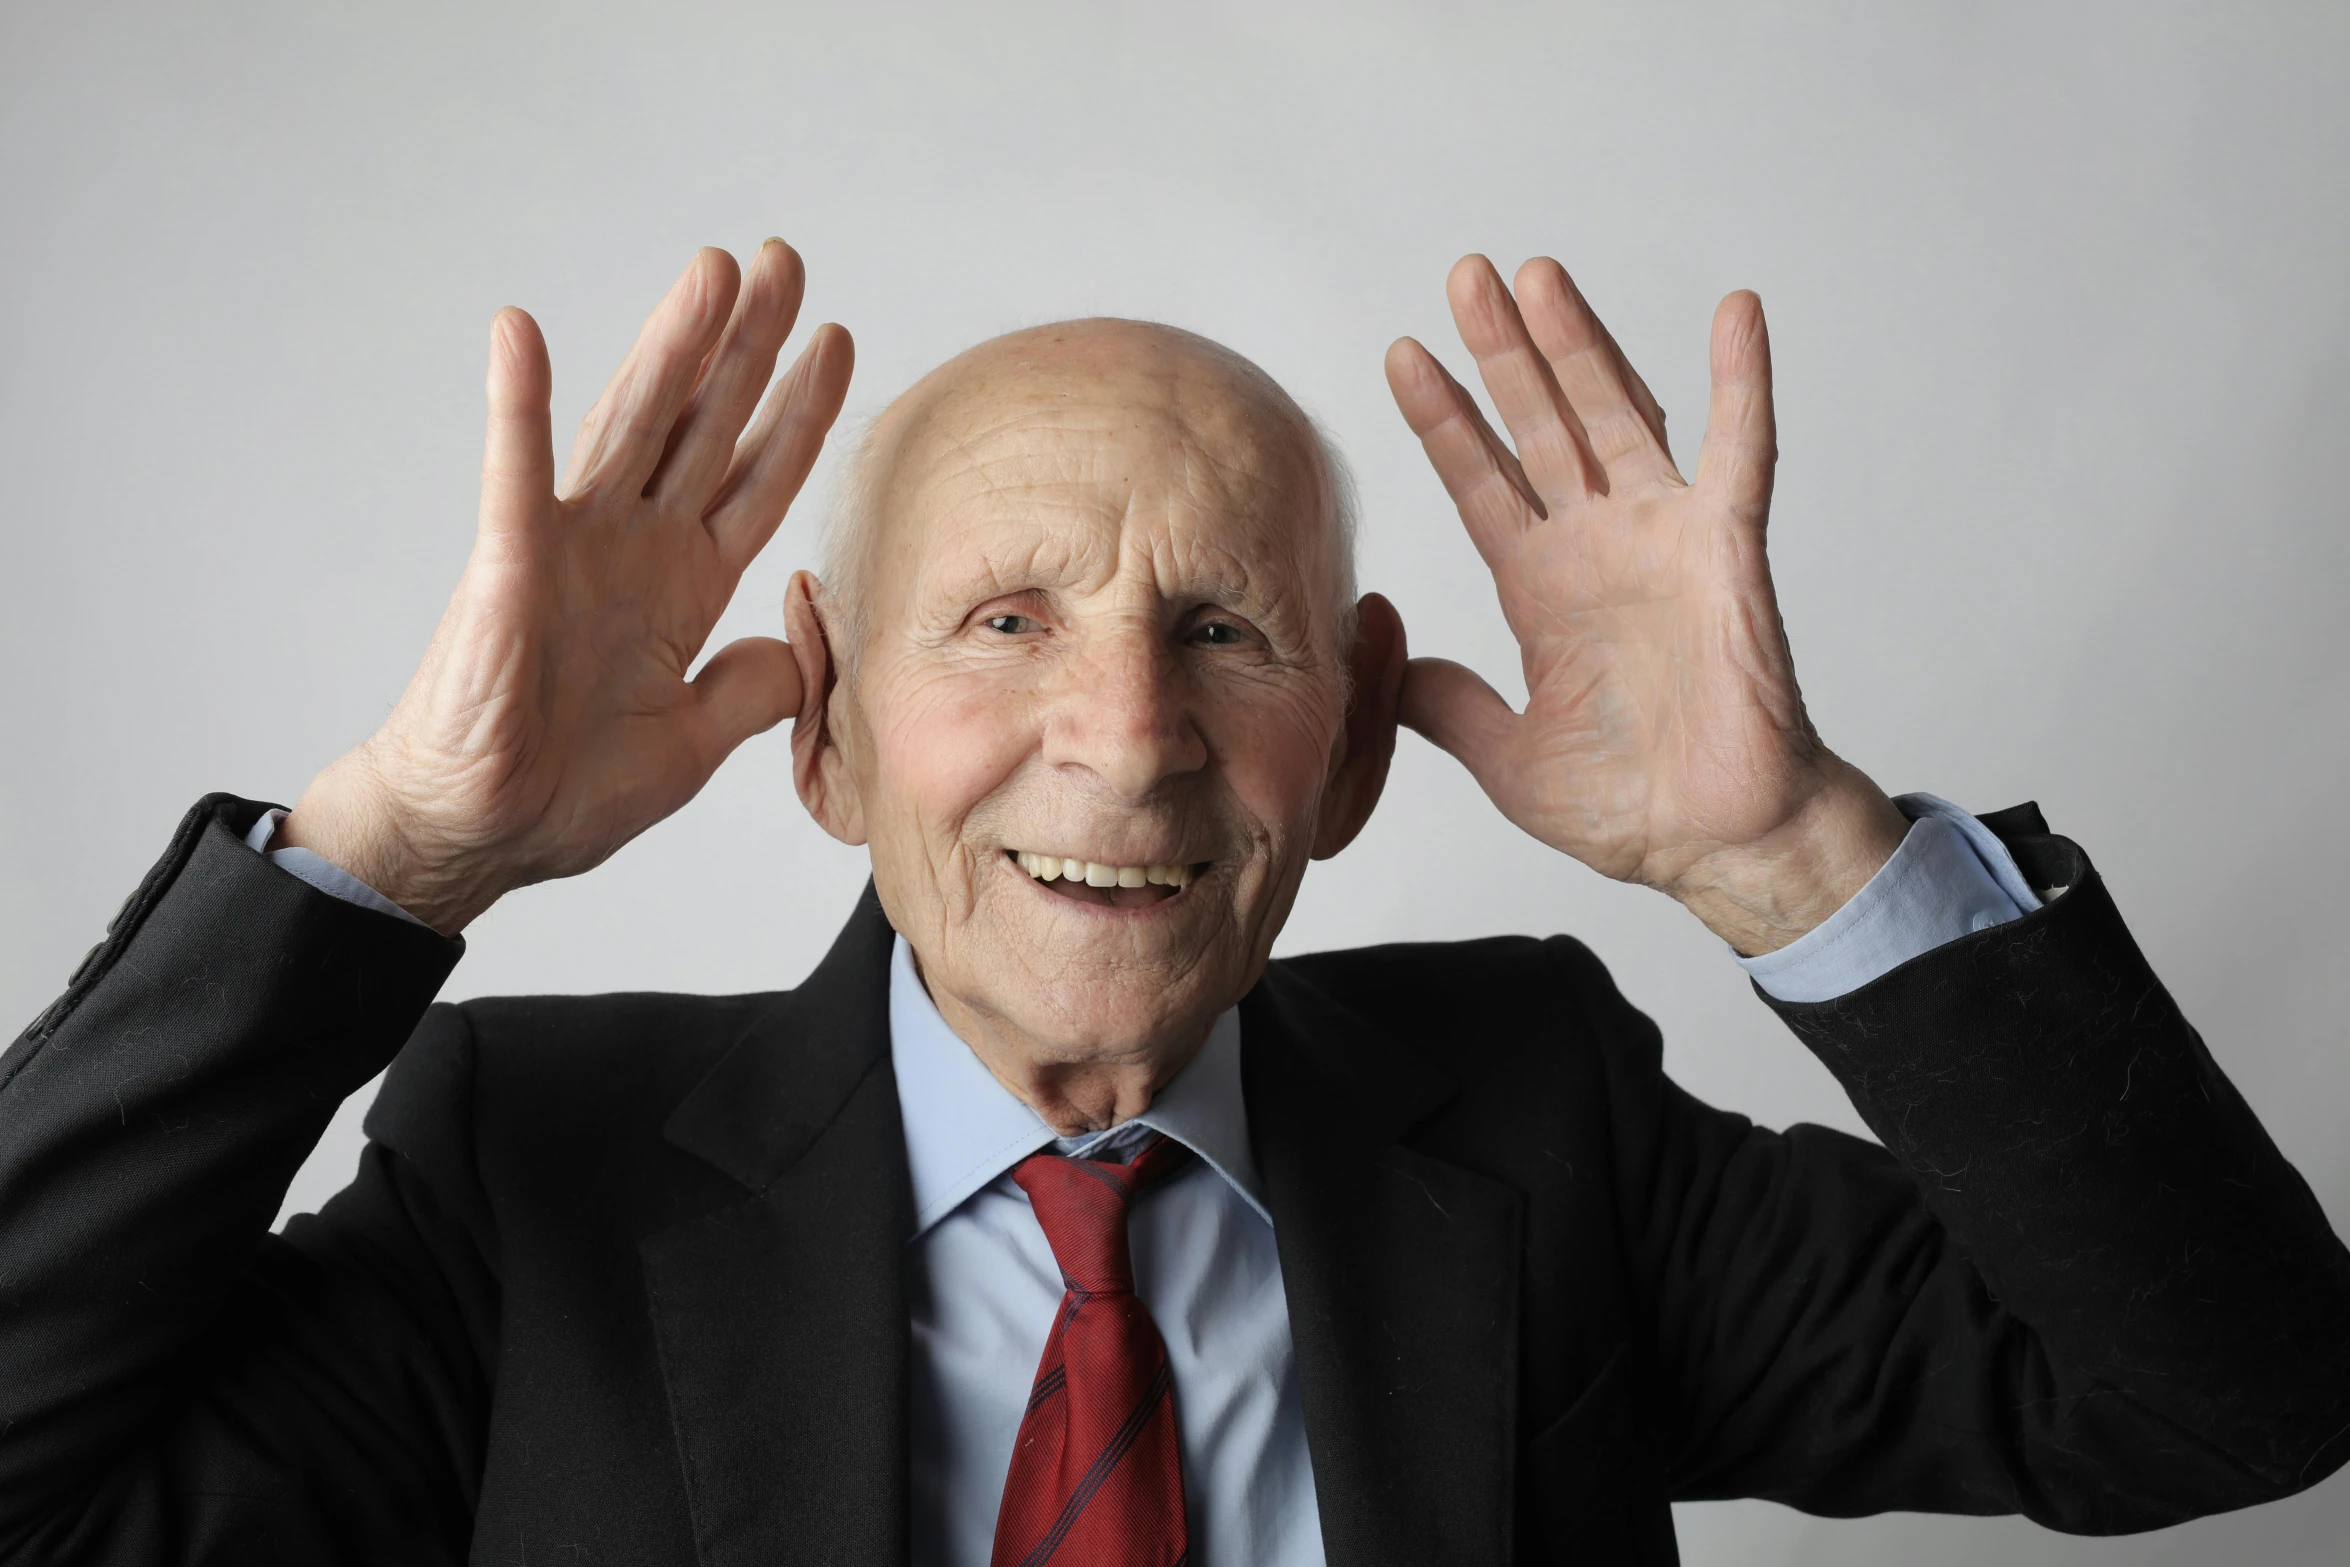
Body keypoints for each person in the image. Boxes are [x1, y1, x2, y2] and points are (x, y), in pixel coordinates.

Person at [2, 237, 2344, 1567]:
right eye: (1002, 622)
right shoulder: (537, 1167)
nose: (1123, 736)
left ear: (1336, 751)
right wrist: (395, 857)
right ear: (819, 741)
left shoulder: (1530, 1117)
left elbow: (2220, 1405)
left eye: (1219, 631)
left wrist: (1787, 852)